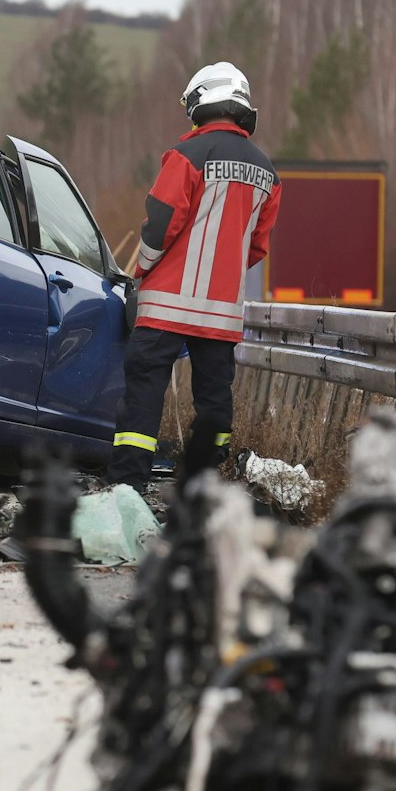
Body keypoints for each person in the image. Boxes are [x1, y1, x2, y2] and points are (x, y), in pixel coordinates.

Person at [108, 61, 281, 489]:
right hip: (221, 314)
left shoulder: (185, 156)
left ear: (200, 102)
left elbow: (160, 224)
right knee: (214, 402)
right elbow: (257, 245)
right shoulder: (268, 175)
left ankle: (129, 486)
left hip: (165, 304)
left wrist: (141, 269)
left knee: (144, 394)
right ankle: (205, 483)